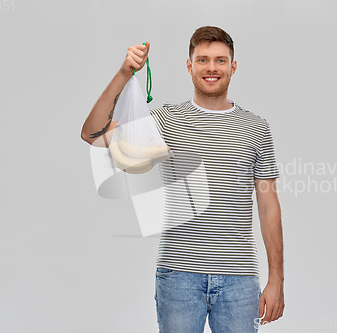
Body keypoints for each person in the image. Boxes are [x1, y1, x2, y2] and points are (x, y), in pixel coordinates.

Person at [81, 26, 284, 333]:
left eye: (220, 60)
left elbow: (269, 206)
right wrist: (124, 73)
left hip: (240, 278)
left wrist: (277, 280)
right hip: (178, 276)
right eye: (203, 60)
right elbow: (92, 134)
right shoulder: (167, 120)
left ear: (233, 66)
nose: (212, 68)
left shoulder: (256, 128)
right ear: (190, 66)